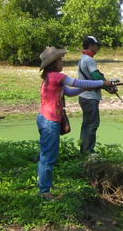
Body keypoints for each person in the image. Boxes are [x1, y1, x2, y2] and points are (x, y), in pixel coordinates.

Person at [37, 46, 114, 199]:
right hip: (49, 121)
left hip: (46, 119)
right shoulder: (56, 76)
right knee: (48, 156)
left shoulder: (50, 77)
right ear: (53, 63)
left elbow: (71, 91)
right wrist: (102, 83)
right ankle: (44, 192)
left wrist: (88, 86)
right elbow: (76, 83)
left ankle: (46, 185)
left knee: (49, 154)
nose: (62, 61)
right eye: (60, 59)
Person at [77, 35, 118, 155]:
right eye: (97, 45)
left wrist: (107, 87)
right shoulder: (89, 60)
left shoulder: (83, 58)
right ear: (91, 45)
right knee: (92, 124)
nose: (98, 48)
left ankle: (83, 150)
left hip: (84, 96)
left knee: (87, 124)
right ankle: (88, 151)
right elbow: (96, 77)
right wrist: (109, 86)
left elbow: (95, 79)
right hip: (90, 97)